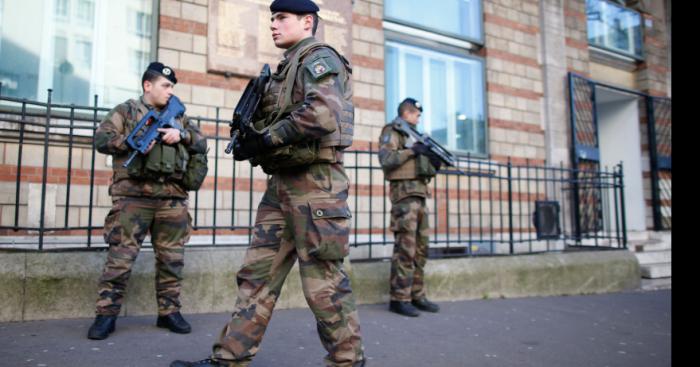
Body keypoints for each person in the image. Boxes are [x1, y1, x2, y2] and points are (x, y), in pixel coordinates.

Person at [170, 0, 364, 366]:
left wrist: (267, 138)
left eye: (281, 18)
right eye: (272, 17)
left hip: (316, 185)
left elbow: (323, 113)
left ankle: (348, 360)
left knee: (323, 282)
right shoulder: (286, 67)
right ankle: (229, 358)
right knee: (256, 276)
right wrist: (252, 139)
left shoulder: (321, 58)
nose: (273, 24)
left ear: (307, 22)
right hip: (282, 186)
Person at [87, 62, 208, 340]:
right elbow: (102, 138)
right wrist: (130, 142)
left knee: (171, 259)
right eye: (165, 86)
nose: (170, 91)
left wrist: (183, 135)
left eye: (172, 87)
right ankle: (106, 315)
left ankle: (169, 312)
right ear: (147, 85)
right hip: (133, 198)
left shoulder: (180, 117)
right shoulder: (126, 111)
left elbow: (202, 142)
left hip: (172, 198)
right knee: (120, 258)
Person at [378, 98, 442, 317]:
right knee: (405, 248)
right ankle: (399, 298)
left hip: (420, 195)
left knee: (421, 248)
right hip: (404, 198)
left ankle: (417, 295)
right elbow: (386, 159)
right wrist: (413, 151)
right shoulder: (392, 131)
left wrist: (431, 158)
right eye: (416, 113)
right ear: (406, 113)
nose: (418, 117)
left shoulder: (416, 137)